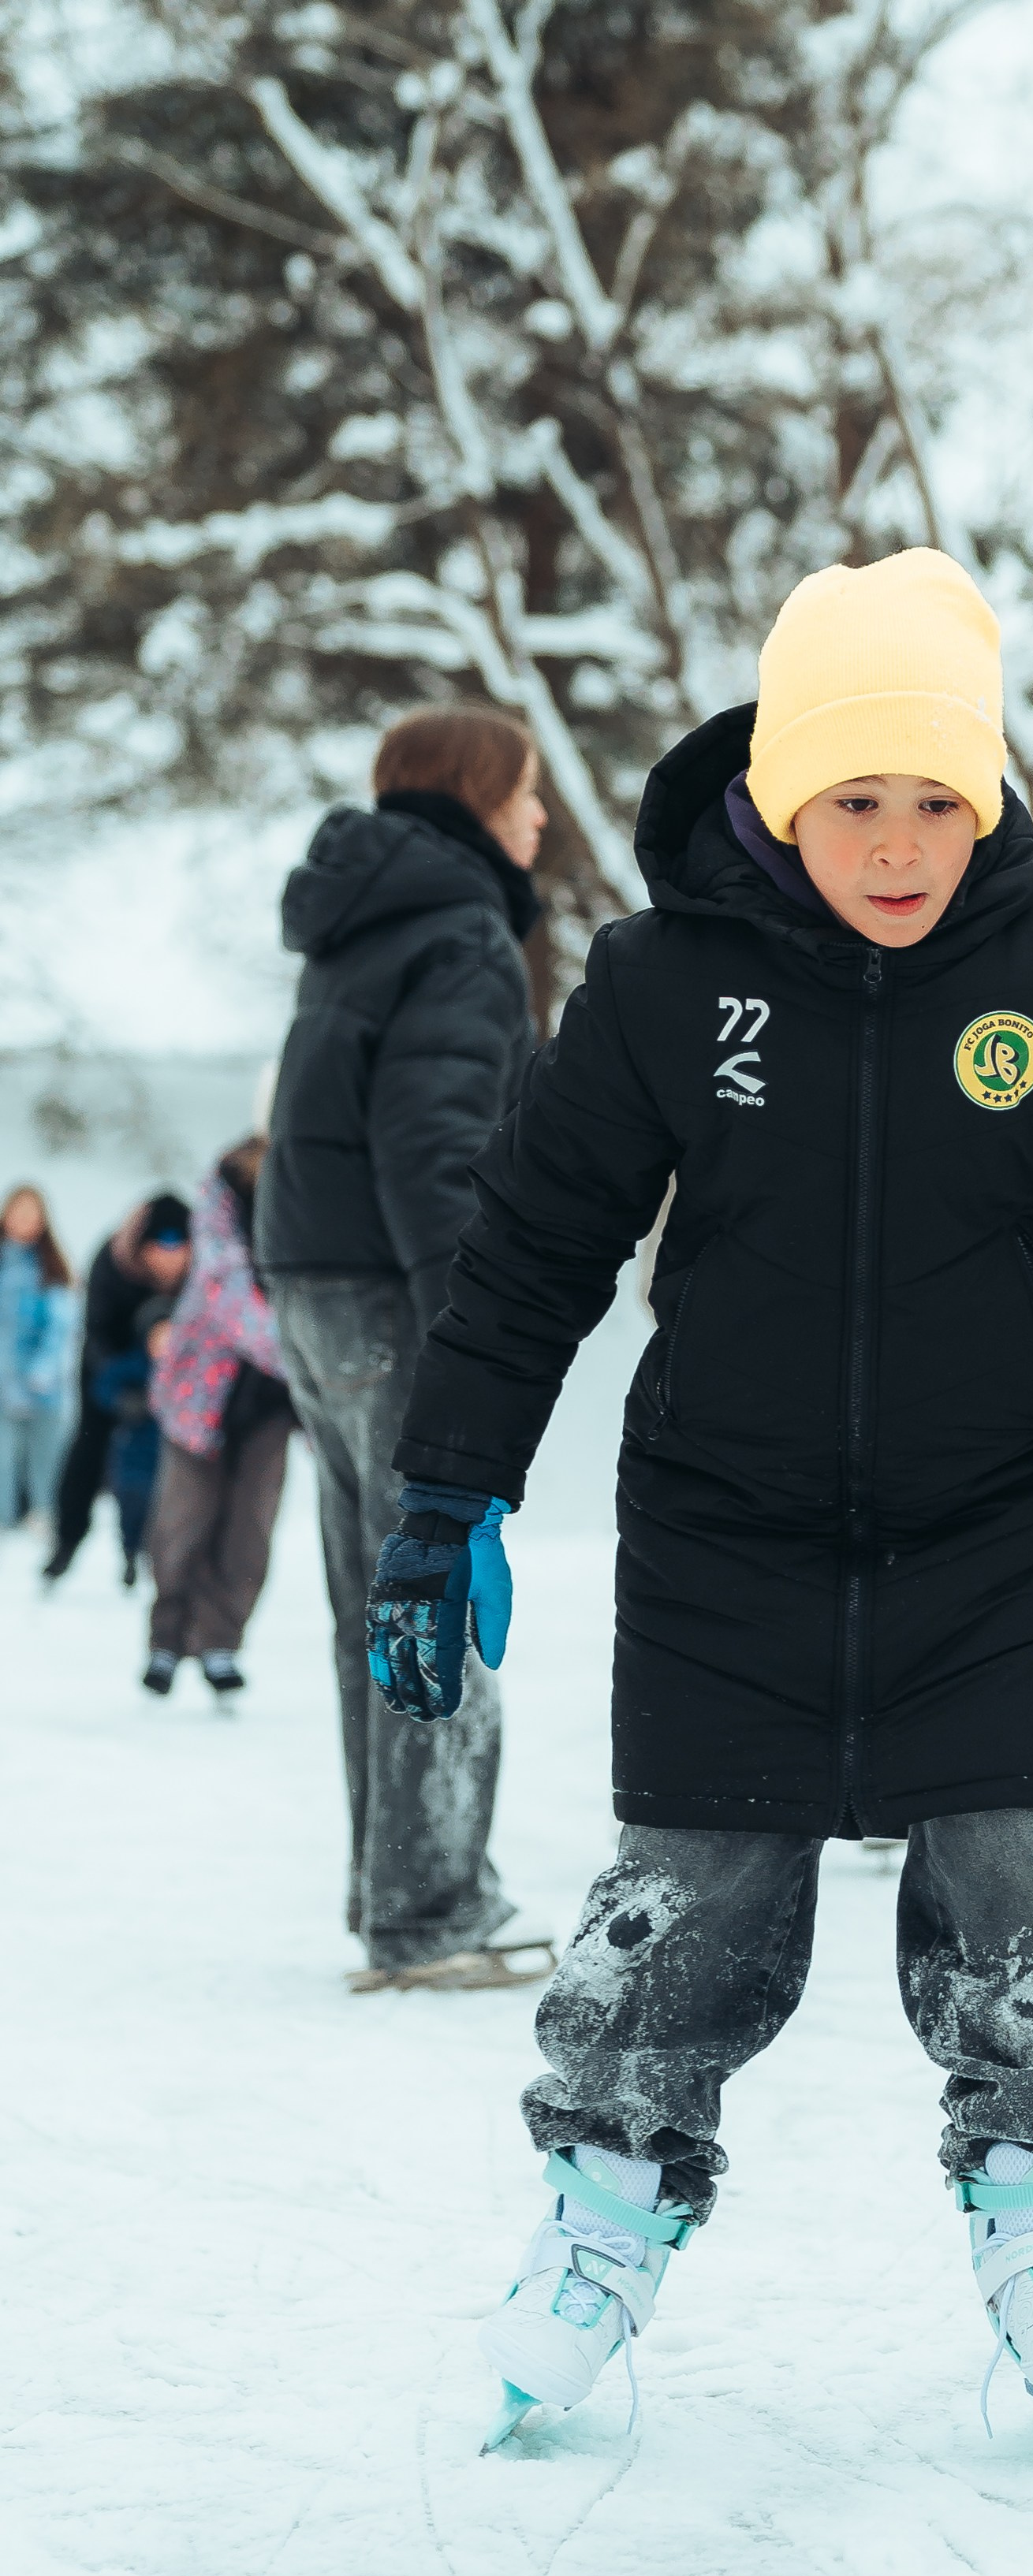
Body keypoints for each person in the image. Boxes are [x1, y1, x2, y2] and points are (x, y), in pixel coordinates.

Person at [363, 546, 1033, 2463]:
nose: (898, 845)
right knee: (687, 1900)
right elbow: (535, 1248)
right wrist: (442, 1491)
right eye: (855, 801)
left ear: (985, 797)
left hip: (997, 1535)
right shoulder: (659, 985)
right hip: (728, 1530)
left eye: (936, 801)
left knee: (1012, 1889)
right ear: (780, 795)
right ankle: (606, 2216)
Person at [256, 704, 541, 1974]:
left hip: (313, 1279)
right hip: (393, 1290)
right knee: (430, 1575)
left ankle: (399, 1893)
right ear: (479, 796)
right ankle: (429, 1908)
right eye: (527, 793)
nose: (539, 819)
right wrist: (470, 1333)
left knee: (367, 1599)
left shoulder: (364, 918)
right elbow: (434, 1150)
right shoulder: (463, 931)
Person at [142, 1137, 295, 1699]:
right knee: (183, 1524)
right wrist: (307, 1354)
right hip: (200, 1395)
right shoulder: (220, 1200)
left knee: (249, 1529)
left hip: (272, 1404)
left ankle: (221, 1642)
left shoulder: (316, 1188)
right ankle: (166, 1638)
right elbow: (225, 1293)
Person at [43, 1193, 192, 1584]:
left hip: (177, 1377)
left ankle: (149, 1551)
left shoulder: (200, 1272)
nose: (170, 1256)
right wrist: (119, 1390)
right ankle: (66, 1542)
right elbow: (97, 1334)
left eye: (179, 1244)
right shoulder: (113, 1263)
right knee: (89, 1449)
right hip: (111, 1367)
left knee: (158, 1470)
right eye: (161, 1244)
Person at [0, 1185, 76, 1531]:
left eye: (32, 1214)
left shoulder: (53, 1268)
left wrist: (44, 1366)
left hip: (42, 1384)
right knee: (4, 1457)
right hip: (3, 1380)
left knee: (45, 1455)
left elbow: (61, 1324)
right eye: (19, 1212)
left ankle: (43, 1514)